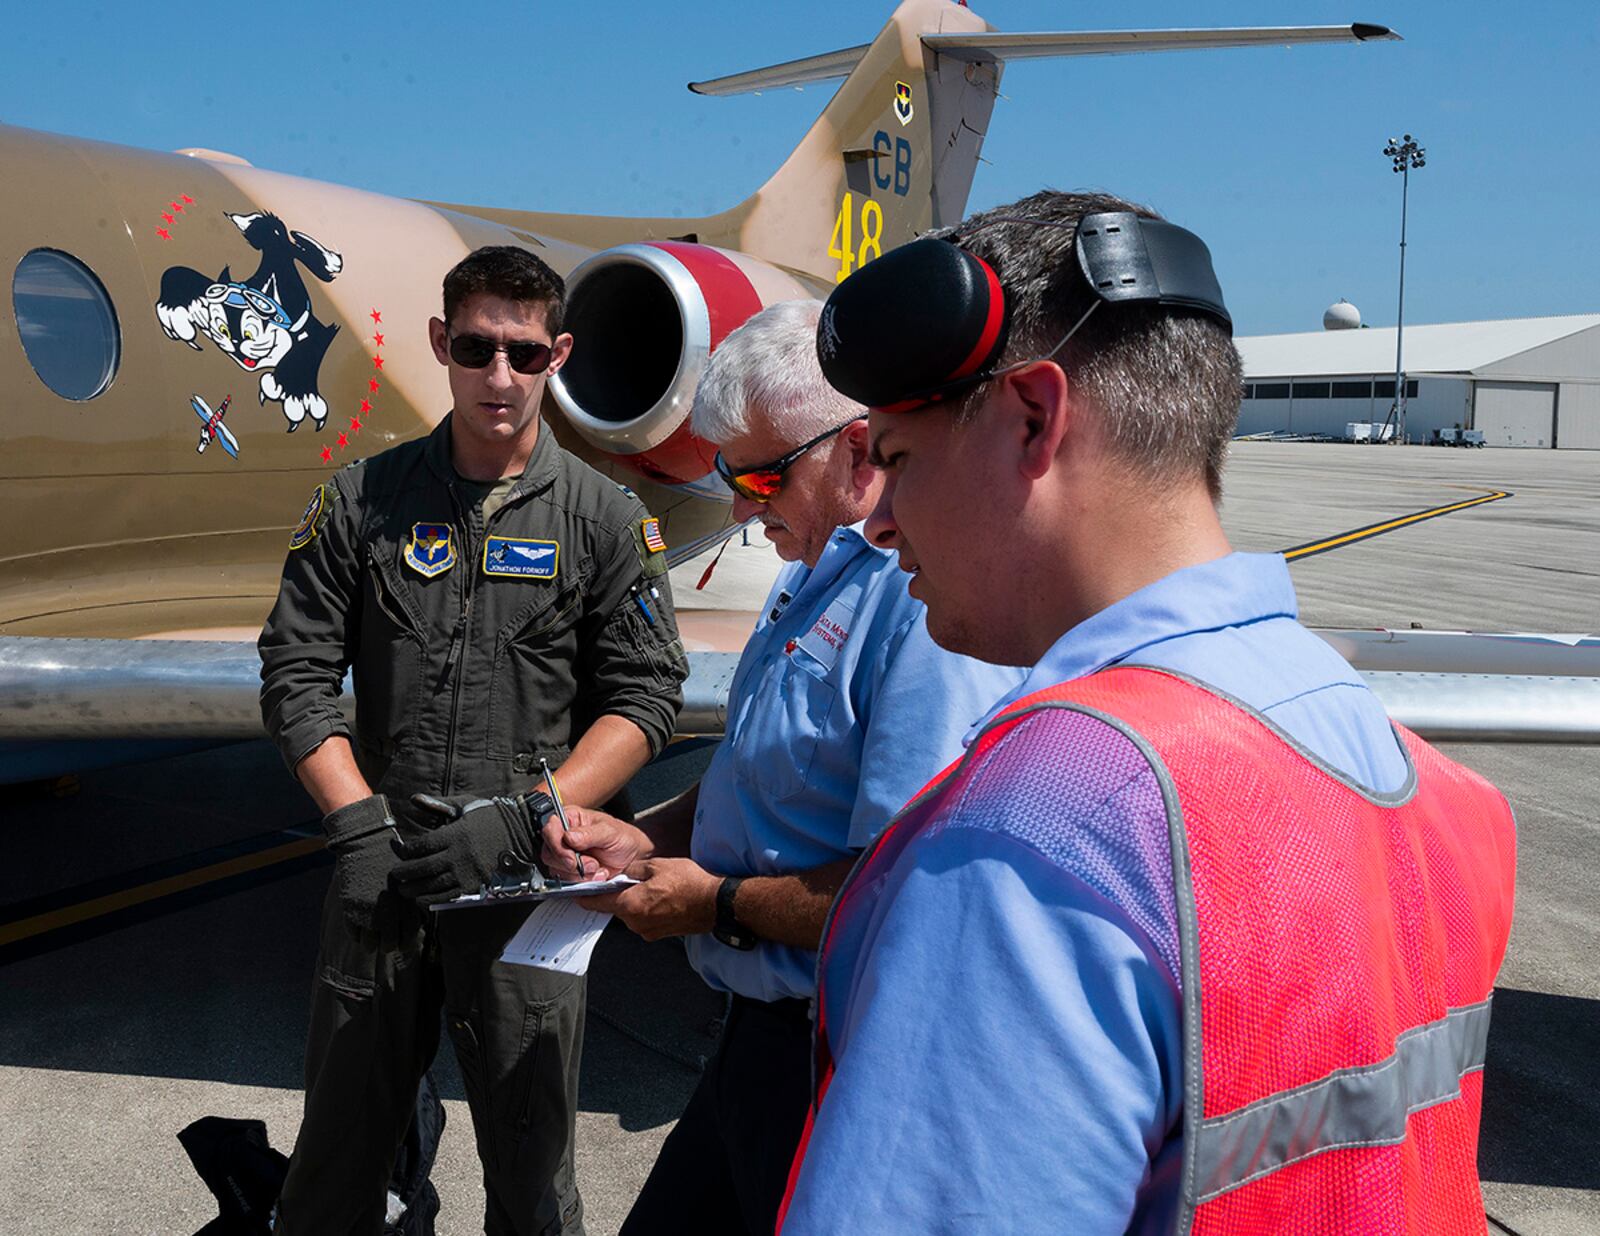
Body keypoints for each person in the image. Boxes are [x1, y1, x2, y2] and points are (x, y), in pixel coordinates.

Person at [777, 192, 1518, 1233]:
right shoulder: (1434, 789)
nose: (882, 521)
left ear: (1032, 418)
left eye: (896, 459)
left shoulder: (1031, 841)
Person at [539, 299, 1024, 1236]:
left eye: (761, 478)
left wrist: (712, 903)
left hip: (837, 1064)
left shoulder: (923, 612)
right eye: (729, 477)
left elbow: (900, 892)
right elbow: (753, 776)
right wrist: (648, 834)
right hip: (757, 1047)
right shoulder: (814, 569)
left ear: (856, 450)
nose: (739, 509)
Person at [258, 245, 688, 1235]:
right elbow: (298, 668)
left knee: (533, 1180)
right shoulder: (361, 504)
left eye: (526, 354)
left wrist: (532, 816)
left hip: (526, 886)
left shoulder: (605, 520)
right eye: (478, 348)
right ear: (440, 344)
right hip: (384, 880)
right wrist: (355, 822)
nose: (500, 377)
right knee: (332, 1169)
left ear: (558, 355)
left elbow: (647, 695)